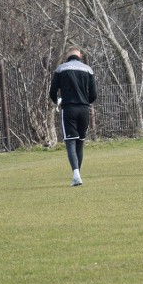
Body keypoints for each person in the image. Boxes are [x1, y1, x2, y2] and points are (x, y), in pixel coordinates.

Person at [49, 46, 97, 186]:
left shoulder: (61, 69)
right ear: (80, 56)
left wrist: (57, 101)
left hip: (69, 109)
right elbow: (93, 94)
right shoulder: (88, 69)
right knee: (80, 142)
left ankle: (76, 175)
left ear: (67, 57)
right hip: (84, 109)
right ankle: (78, 175)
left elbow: (52, 92)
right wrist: (85, 102)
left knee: (70, 141)